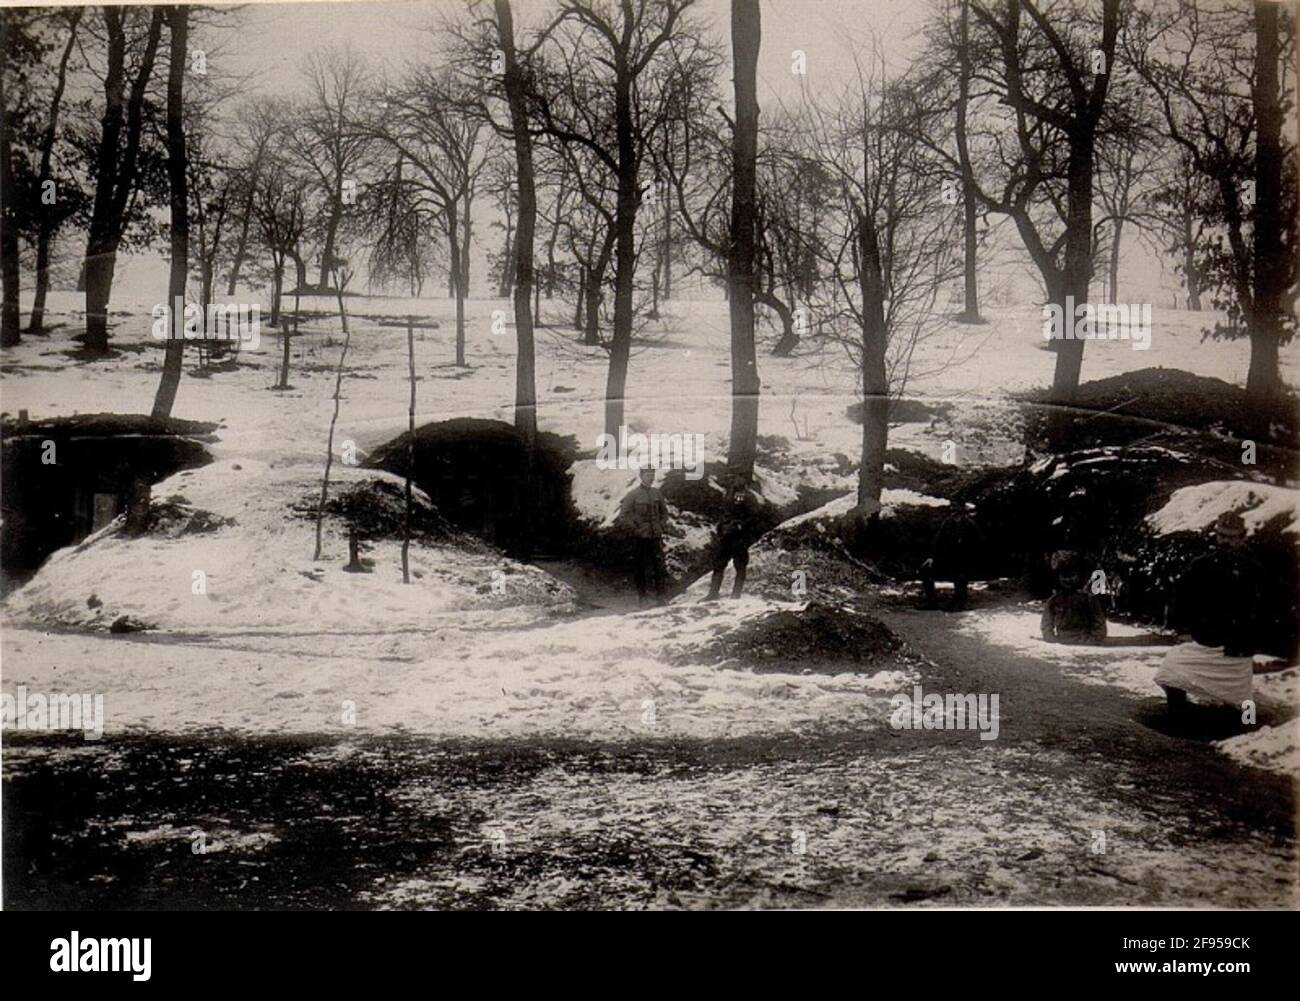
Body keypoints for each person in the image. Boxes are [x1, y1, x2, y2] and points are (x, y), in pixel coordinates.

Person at [704, 475, 764, 601]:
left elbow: (755, 516)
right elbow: (726, 512)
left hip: (740, 536)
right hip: (726, 534)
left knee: (740, 564)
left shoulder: (748, 496)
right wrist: (721, 526)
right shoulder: (729, 494)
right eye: (733, 479)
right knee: (719, 563)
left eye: (737, 478)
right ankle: (713, 593)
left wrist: (741, 525)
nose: (734, 481)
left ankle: (736, 594)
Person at [618, 466, 670, 605]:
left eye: (652, 475)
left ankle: (661, 597)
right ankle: (643, 598)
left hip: (655, 536)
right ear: (641, 476)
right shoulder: (633, 494)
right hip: (640, 537)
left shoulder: (657, 493)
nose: (651, 478)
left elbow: (664, 513)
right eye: (648, 475)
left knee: (659, 566)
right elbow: (623, 516)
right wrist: (636, 528)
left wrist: (661, 525)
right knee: (640, 567)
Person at [919, 502, 981, 611]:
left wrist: (968, 559)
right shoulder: (947, 523)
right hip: (947, 559)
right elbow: (937, 541)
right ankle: (932, 601)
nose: (954, 514)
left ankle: (959, 601)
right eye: (952, 511)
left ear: (963, 513)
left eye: (957, 512)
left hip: (964, 561)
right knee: (925, 569)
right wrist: (931, 557)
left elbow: (976, 546)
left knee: (960, 574)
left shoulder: (970, 526)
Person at [1040, 551, 1107, 644]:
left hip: (1084, 642)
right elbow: (1046, 625)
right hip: (1062, 643)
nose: (1068, 580)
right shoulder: (1054, 601)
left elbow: (1099, 624)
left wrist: (1092, 640)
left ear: (1078, 576)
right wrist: (1052, 639)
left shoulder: (1089, 599)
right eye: (1064, 576)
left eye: (1072, 575)